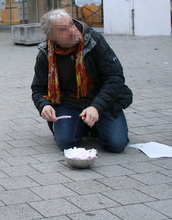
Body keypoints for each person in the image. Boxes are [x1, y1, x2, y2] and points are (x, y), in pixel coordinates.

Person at [31, 9, 132, 153]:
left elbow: (115, 77)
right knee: (66, 143)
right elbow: (38, 89)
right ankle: (83, 125)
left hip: (102, 102)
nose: (72, 31)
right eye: (63, 30)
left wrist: (97, 107)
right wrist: (44, 106)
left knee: (116, 144)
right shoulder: (45, 53)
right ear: (51, 37)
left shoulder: (94, 40)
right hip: (69, 104)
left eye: (71, 24)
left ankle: (95, 123)